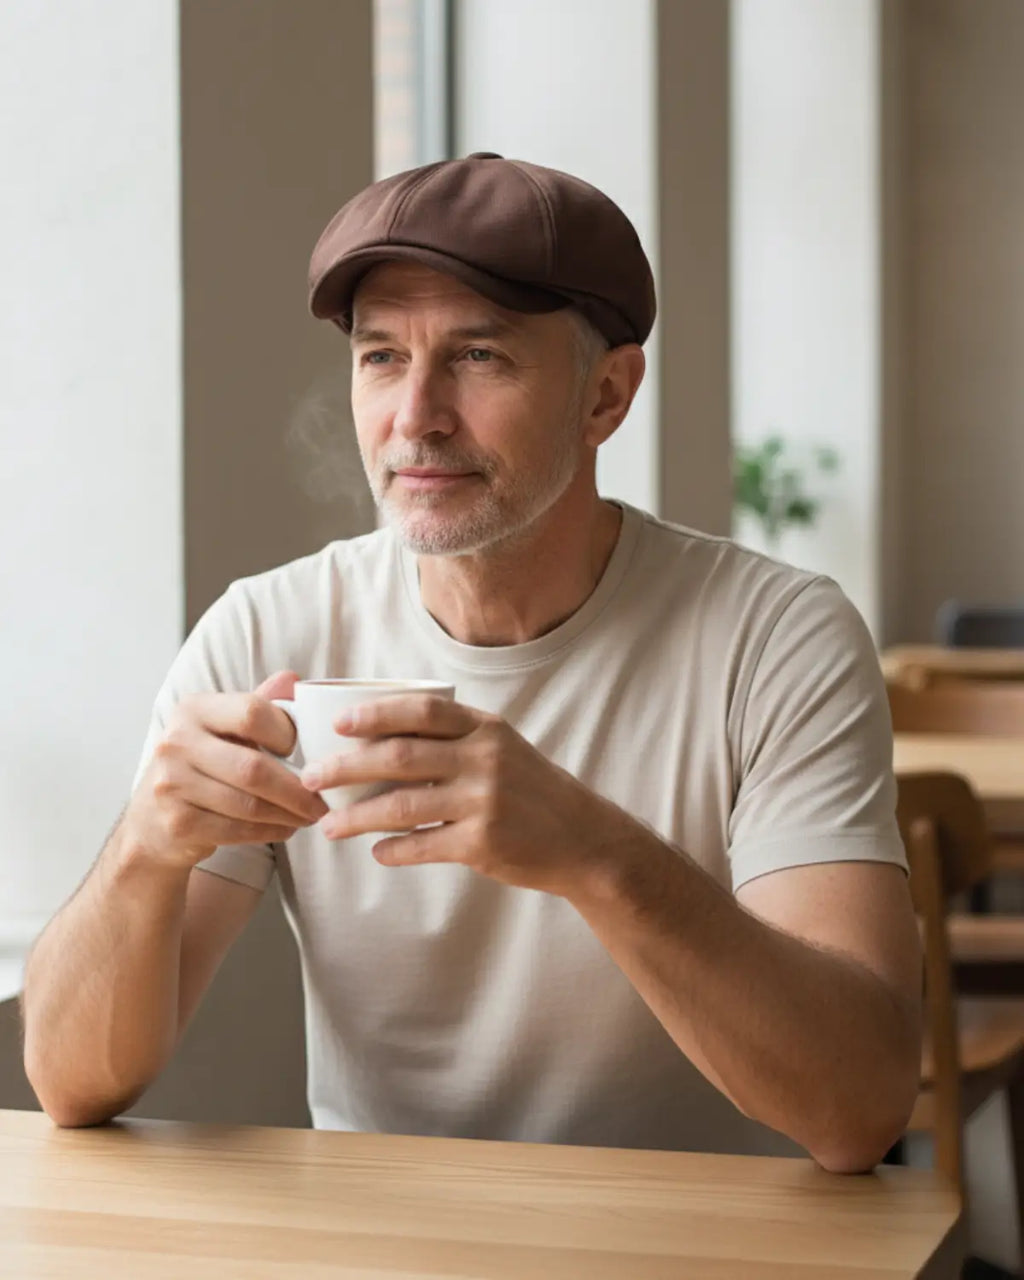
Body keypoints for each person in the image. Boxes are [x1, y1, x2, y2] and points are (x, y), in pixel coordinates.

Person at [21, 153, 921, 1172]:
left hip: (702, 1245)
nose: (416, 416)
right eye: (380, 357)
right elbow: (70, 1081)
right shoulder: (266, 634)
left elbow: (861, 1106)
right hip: (391, 1243)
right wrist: (146, 847)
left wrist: (591, 851)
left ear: (606, 396)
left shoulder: (774, 638)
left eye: (479, 356)